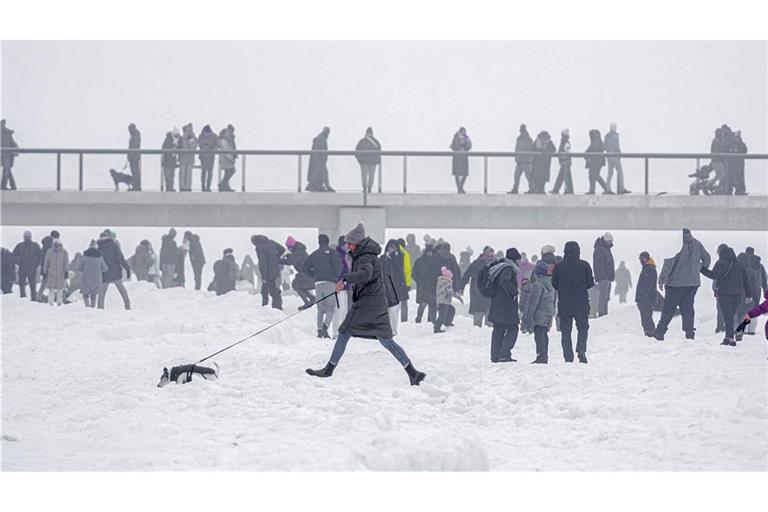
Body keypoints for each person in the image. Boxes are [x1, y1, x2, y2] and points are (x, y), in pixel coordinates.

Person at [305, 223, 426, 386]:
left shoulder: (366, 256)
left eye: (349, 243)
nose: (347, 246)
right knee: (385, 339)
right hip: (374, 302)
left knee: (344, 333)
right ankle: (413, 372)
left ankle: (328, 370)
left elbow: (365, 274)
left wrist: (346, 278)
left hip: (367, 303)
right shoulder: (365, 254)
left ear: (357, 243)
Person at [653, 228, 711, 341]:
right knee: (688, 308)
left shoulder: (676, 244)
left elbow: (669, 263)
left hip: (675, 284)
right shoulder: (697, 243)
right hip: (692, 284)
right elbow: (707, 260)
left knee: (668, 308)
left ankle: (660, 331)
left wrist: (662, 279)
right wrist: (697, 268)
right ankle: (689, 333)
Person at [552, 241, 595, 363]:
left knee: (565, 331)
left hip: (565, 303)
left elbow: (554, 283)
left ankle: (568, 356)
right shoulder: (584, 265)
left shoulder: (559, 266)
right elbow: (590, 283)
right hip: (581, 302)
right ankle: (581, 349)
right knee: (583, 328)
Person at [701, 246, 751, 346]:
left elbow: (714, 275)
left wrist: (702, 269)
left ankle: (731, 339)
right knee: (730, 316)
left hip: (725, 294)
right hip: (737, 295)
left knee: (728, 317)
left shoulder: (721, 262)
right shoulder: (739, 264)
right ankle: (728, 338)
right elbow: (746, 280)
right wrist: (749, 295)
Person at [304, 234, 342, 338]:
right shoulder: (332, 253)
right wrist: (334, 276)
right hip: (329, 283)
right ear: (328, 242)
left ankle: (319, 330)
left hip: (318, 283)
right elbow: (339, 266)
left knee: (320, 309)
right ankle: (325, 328)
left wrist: (314, 275)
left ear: (319, 242)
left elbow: (305, 267)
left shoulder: (314, 254)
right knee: (331, 308)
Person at [487, 248, 521, 362]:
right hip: (505, 306)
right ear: (515, 260)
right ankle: (504, 353)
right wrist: (514, 292)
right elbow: (505, 281)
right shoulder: (508, 268)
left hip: (497, 303)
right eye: (518, 260)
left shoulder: (499, 267)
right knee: (513, 329)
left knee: (498, 329)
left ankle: (495, 355)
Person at [525, 258, 557, 364]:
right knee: (544, 335)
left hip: (539, 313)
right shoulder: (552, 284)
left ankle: (540, 356)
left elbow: (533, 302)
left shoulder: (537, 285)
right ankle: (544, 355)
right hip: (548, 312)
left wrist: (528, 315)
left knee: (538, 335)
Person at [461, 246, 495, 327]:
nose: (490, 258)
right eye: (489, 255)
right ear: (484, 254)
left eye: (492, 256)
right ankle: (476, 334)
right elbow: (466, 275)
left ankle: (488, 335)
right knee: (478, 319)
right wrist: (461, 287)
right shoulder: (476, 264)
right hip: (478, 294)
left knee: (490, 320)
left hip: (491, 295)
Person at [97, 230, 131, 309]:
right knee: (122, 290)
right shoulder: (114, 246)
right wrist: (127, 268)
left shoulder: (99, 248)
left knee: (101, 293)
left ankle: (100, 309)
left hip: (104, 274)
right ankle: (127, 305)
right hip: (115, 272)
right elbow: (120, 258)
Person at [380, 239, 407, 335]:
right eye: (391, 247)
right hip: (386, 286)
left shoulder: (399, 257)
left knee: (394, 310)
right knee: (386, 310)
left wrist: (392, 257)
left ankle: (393, 330)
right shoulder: (383, 258)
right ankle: (387, 329)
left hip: (397, 287)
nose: (393, 249)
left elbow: (399, 269)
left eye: (395, 247)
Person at [281, 236, 315, 309]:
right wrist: (289, 255)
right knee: (298, 285)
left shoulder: (298, 251)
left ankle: (308, 302)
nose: (288, 249)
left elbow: (291, 261)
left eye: (288, 247)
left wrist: (279, 261)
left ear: (292, 246)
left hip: (306, 274)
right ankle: (311, 298)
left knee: (295, 285)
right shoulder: (299, 250)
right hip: (308, 273)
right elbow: (295, 258)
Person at [251, 235, 285, 309]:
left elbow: (263, 263)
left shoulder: (259, 247)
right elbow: (282, 249)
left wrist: (264, 277)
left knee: (272, 290)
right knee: (265, 289)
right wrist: (275, 257)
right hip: (275, 269)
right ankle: (265, 306)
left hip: (268, 271)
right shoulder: (271, 242)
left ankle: (277, 307)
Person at [12, 230, 42, 301]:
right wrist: (18, 262)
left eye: (28, 236)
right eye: (26, 237)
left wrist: (36, 264)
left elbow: (41, 256)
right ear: (23, 237)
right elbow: (13, 256)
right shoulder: (20, 246)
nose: (27, 238)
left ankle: (34, 300)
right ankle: (23, 300)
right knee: (22, 286)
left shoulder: (35, 245)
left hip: (32, 269)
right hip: (22, 269)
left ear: (31, 237)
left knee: (33, 286)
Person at [332, 235, 352, 337]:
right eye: (347, 244)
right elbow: (338, 271)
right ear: (342, 244)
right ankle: (336, 333)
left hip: (346, 287)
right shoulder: (338, 255)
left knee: (344, 310)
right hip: (339, 287)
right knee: (338, 310)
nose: (348, 246)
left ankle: (342, 332)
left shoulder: (346, 255)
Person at [77, 240, 107, 308]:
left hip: (86, 277)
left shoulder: (84, 256)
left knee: (85, 293)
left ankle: (87, 306)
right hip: (96, 278)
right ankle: (92, 307)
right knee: (94, 294)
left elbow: (79, 267)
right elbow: (105, 268)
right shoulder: (99, 256)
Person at [592, 232, 615, 317]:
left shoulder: (605, 249)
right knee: (603, 297)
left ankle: (604, 313)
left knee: (606, 297)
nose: (611, 243)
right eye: (610, 241)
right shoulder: (600, 250)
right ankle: (602, 313)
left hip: (607, 277)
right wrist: (602, 276)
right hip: (603, 277)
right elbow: (598, 265)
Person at [635, 251, 658, 337]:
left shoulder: (649, 269)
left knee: (646, 316)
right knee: (646, 316)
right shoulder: (647, 268)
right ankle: (649, 332)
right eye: (640, 259)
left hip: (647, 299)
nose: (642, 260)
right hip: (646, 298)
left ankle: (650, 332)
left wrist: (641, 298)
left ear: (648, 258)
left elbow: (646, 286)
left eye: (643, 258)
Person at [412, 244, 436, 323]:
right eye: (429, 252)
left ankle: (430, 320)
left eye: (431, 252)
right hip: (423, 285)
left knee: (431, 304)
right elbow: (414, 273)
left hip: (431, 285)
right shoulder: (419, 261)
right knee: (423, 303)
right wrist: (420, 281)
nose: (430, 254)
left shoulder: (434, 261)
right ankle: (419, 318)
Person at [604, 122, 630, 194]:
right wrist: (619, 154)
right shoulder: (615, 136)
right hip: (615, 156)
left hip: (609, 157)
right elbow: (616, 146)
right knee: (620, 172)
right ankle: (621, 188)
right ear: (615, 128)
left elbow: (605, 147)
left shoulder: (607, 136)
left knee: (610, 173)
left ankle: (607, 188)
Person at [355, 127, 381, 194]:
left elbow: (356, 151)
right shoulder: (376, 142)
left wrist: (359, 160)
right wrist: (378, 161)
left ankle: (364, 187)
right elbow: (379, 152)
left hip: (363, 161)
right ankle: (370, 187)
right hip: (373, 162)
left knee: (364, 175)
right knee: (371, 175)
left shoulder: (362, 141)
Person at [43, 239, 69, 306]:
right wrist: (45, 271)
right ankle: (50, 302)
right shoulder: (49, 252)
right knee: (51, 289)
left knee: (60, 289)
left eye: (57, 244)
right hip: (52, 273)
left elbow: (66, 262)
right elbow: (46, 262)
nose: (56, 246)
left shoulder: (64, 252)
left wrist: (66, 271)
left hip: (61, 273)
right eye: (55, 244)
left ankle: (59, 302)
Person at [585, 129, 612, 195]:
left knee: (595, 176)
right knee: (593, 176)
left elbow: (588, 151)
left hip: (595, 162)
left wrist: (587, 156)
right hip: (597, 162)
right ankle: (595, 190)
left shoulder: (595, 142)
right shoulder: (598, 141)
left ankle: (606, 188)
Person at [306, 127, 333, 192]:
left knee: (321, 173)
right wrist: (321, 160)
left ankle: (320, 185)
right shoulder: (321, 139)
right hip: (319, 160)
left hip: (319, 160)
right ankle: (312, 185)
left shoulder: (321, 138)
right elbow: (320, 151)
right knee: (320, 173)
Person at [509, 124, 534, 194]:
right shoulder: (519, 138)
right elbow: (517, 149)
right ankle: (515, 189)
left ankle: (532, 189)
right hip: (520, 161)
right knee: (517, 175)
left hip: (526, 162)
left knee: (528, 176)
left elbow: (529, 150)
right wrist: (516, 157)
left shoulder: (528, 139)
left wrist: (521, 157)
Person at [434, 267, 458, 333]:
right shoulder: (448, 282)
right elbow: (450, 292)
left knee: (451, 309)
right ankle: (437, 328)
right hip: (445, 301)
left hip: (440, 300)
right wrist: (456, 295)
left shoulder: (440, 281)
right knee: (443, 315)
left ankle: (447, 322)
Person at [450, 126, 472, 193]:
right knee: (457, 173)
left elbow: (469, 146)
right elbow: (454, 146)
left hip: (464, 157)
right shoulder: (456, 137)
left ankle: (460, 187)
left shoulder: (466, 138)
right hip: (457, 157)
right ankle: (459, 188)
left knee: (465, 173)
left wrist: (467, 140)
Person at [37, 231, 58, 302]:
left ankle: (39, 296)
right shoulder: (50, 246)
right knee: (49, 282)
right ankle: (44, 297)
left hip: (44, 267)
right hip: (49, 267)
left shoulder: (44, 246)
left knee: (44, 282)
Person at [551, 129, 573, 194]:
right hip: (565, 161)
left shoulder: (565, 142)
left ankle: (567, 190)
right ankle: (558, 189)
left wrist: (563, 158)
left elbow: (566, 152)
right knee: (564, 176)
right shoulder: (566, 142)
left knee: (566, 176)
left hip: (565, 162)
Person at [198, 125, 218, 192]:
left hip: (207, 156)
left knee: (207, 172)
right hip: (206, 156)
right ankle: (205, 186)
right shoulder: (213, 136)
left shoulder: (201, 136)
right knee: (206, 172)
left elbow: (200, 145)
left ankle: (206, 186)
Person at [1, 119, 20, 190]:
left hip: (5, 154)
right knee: (7, 170)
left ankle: (6, 186)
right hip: (6, 154)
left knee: (6, 170)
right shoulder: (7, 134)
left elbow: (12, 145)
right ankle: (12, 186)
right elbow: (13, 145)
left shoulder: (6, 134)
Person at [218, 127, 237, 192]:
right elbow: (225, 151)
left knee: (228, 172)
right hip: (225, 159)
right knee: (231, 170)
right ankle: (223, 184)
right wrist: (231, 159)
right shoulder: (223, 141)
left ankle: (225, 185)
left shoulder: (226, 140)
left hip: (225, 158)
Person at [731, 131, 748, 196]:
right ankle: (737, 189)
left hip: (740, 164)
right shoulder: (731, 144)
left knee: (740, 177)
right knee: (735, 177)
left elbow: (745, 150)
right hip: (734, 164)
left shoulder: (741, 144)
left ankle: (740, 190)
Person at [126, 123, 142, 191]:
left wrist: (130, 155)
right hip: (134, 156)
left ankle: (137, 186)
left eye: (130, 129)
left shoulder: (135, 136)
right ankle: (136, 185)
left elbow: (134, 146)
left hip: (134, 157)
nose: (129, 131)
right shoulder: (135, 136)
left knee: (135, 171)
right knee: (135, 171)